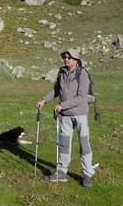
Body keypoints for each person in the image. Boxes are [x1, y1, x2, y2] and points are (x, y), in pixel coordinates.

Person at [36, 48, 95, 188]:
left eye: (69, 57)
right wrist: (44, 100)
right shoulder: (61, 72)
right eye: (65, 57)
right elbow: (56, 89)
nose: (66, 59)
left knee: (84, 144)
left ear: (76, 60)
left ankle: (87, 174)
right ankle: (61, 173)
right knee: (63, 144)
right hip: (66, 116)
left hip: (80, 114)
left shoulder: (83, 74)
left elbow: (81, 97)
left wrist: (63, 105)